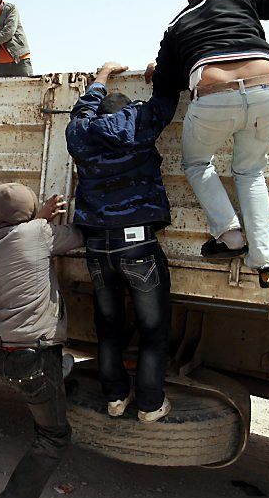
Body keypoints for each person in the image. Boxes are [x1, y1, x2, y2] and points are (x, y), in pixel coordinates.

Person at [146, 0, 269, 288]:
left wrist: (156, 70)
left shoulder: (178, 23)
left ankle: (230, 236)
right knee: (250, 172)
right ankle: (266, 260)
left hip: (214, 98)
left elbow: (167, 83)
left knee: (197, 163)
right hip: (267, 88)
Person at [66, 62, 179, 421]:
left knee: (109, 327)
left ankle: (115, 398)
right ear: (128, 108)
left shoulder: (81, 134)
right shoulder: (140, 123)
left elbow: (81, 109)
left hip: (98, 247)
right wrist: (159, 72)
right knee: (152, 329)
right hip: (138, 246)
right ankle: (149, 405)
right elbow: (167, 98)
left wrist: (101, 76)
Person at [0, 183, 82, 498]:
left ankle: (56, 381)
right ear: (30, 213)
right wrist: (43, 220)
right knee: (53, 436)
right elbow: (78, 235)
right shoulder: (37, 234)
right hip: (31, 356)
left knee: (54, 375)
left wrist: (39, 219)